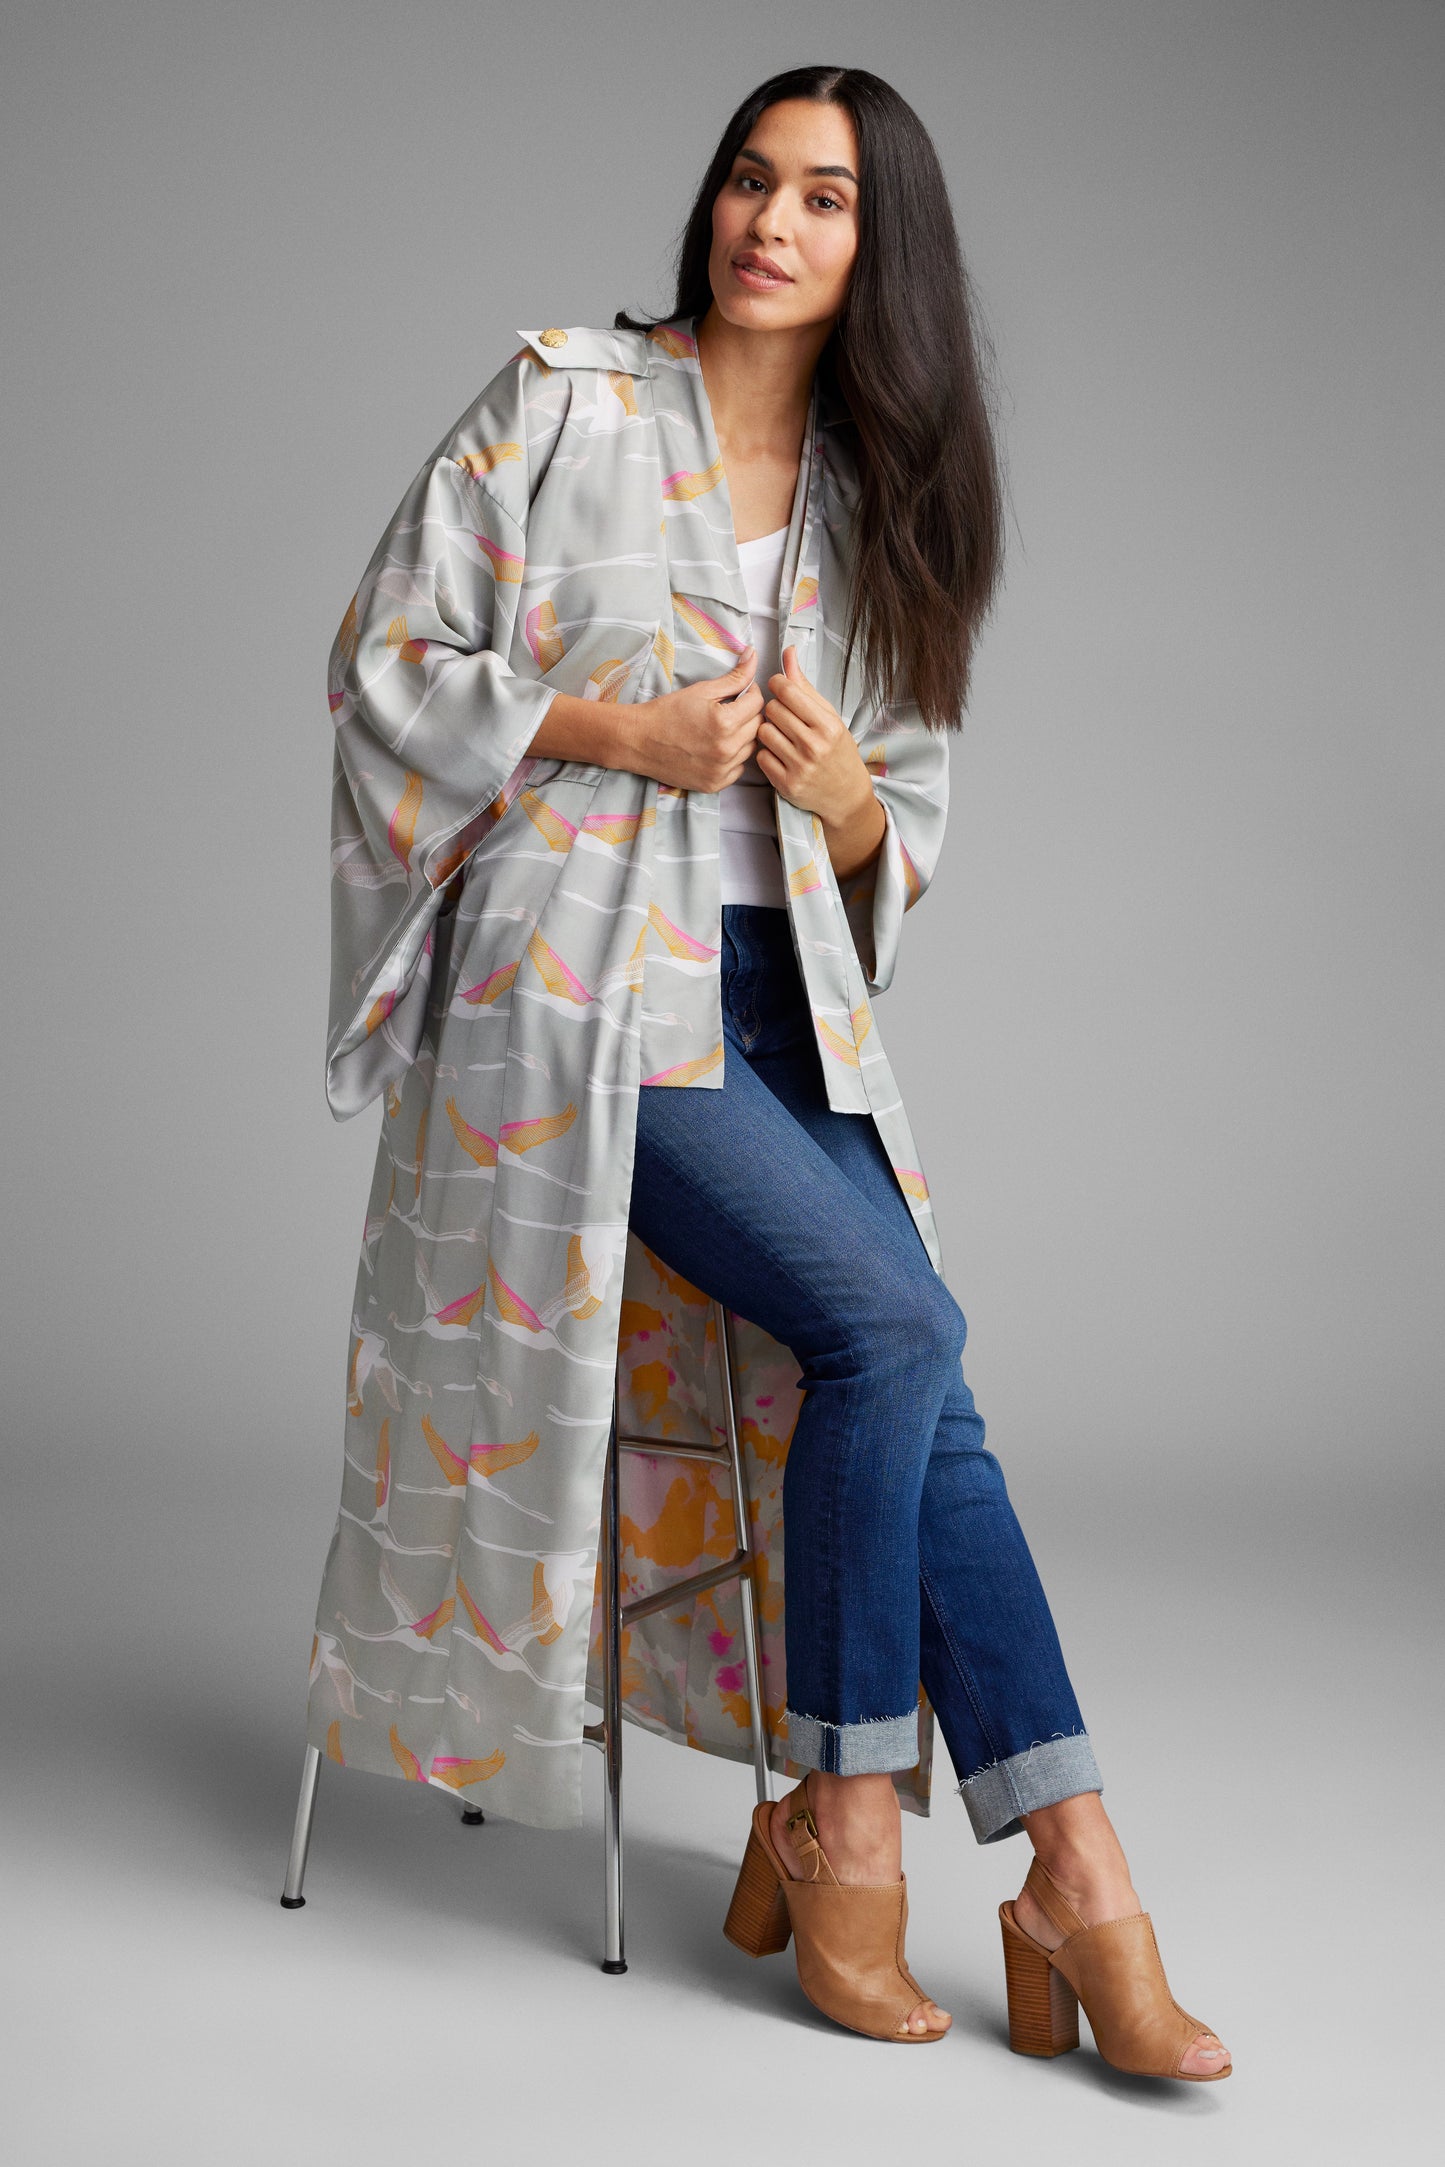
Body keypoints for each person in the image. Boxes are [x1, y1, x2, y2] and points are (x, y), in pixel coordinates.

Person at [313, 63, 1230, 2081]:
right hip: (585, 996)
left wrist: (834, 808)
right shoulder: (562, 396)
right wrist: (619, 737)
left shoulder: (868, 496)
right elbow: (383, 658)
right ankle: (862, 1824)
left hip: (777, 1000)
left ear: (874, 252)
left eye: (823, 198)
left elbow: (898, 814)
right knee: (899, 1322)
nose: (770, 221)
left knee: (924, 1368)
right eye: (751, 179)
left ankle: (1067, 1861)